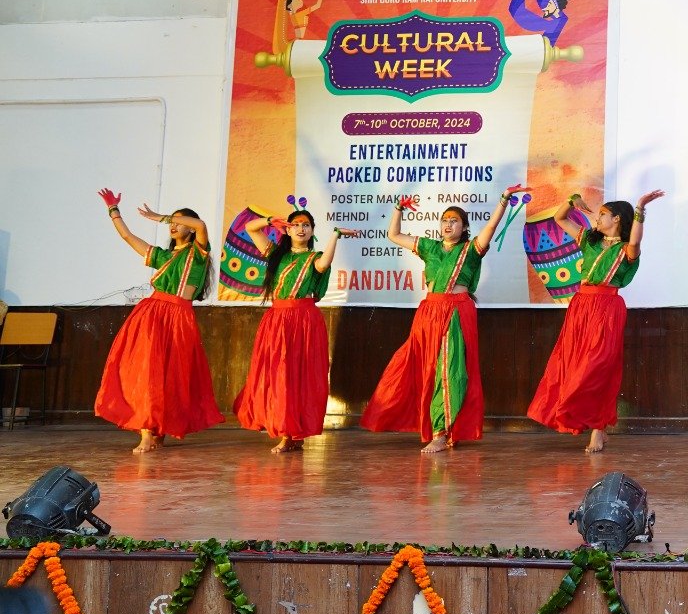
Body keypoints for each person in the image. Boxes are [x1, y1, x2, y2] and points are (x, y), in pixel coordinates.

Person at [360, 186, 527, 452]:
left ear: (464, 227)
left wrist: (504, 200)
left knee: (450, 369)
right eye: (445, 220)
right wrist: (398, 208)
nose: (448, 224)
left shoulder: (471, 249)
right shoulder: (430, 247)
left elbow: (491, 228)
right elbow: (393, 235)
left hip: (456, 313)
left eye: (454, 221)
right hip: (428, 313)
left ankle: (441, 432)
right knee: (421, 367)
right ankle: (433, 425)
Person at [528, 188, 666, 452]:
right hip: (581, 307)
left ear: (617, 219)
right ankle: (596, 427)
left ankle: (598, 428)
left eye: (603, 214)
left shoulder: (626, 250)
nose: (597, 218)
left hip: (607, 309)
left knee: (597, 367)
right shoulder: (589, 241)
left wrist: (640, 208)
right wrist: (572, 200)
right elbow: (559, 219)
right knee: (572, 364)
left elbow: (636, 241)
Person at [93, 190, 225, 453]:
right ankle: (145, 432)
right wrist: (113, 210)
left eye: (179, 221)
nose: (173, 225)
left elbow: (201, 225)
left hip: (180, 317)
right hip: (152, 315)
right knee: (147, 374)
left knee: (173, 376)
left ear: (189, 228)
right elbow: (128, 237)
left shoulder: (199, 252)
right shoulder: (164, 256)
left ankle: (160, 428)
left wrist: (160, 217)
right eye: (172, 222)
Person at [232, 204, 352, 453]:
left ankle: (293, 434)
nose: (301, 229)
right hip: (277, 320)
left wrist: (335, 235)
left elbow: (324, 265)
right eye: (295, 224)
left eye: (306, 225)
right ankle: (287, 432)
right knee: (279, 375)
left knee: (300, 377)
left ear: (312, 231)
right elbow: (250, 228)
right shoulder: (277, 254)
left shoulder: (314, 258)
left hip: (304, 321)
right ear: (287, 230)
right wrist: (269, 220)